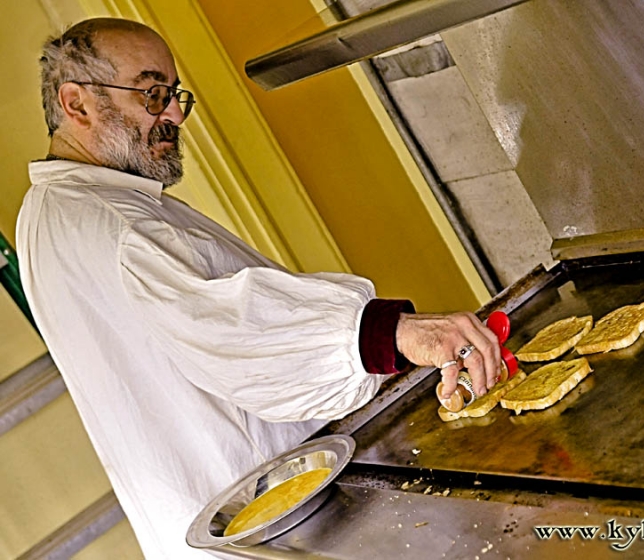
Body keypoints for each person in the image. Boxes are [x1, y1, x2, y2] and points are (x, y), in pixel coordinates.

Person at [16, 17, 501, 559]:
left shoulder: (51, 211)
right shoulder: (116, 226)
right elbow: (234, 333)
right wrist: (393, 333)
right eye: (153, 94)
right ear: (77, 104)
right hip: (273, 527)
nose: (173, 114)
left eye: (174, 95)